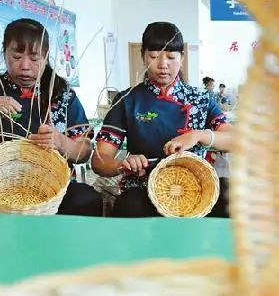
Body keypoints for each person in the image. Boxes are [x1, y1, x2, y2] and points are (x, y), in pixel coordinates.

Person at [0, 18, 102, 216]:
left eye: (34, 58)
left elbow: (84, 152)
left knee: (87, 200)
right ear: (4, 52)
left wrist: (61, 142)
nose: (25, 66)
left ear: (46, 57)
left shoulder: (61, 93)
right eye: (16, 56)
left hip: (56, 189)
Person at [92, 22, 234, 217]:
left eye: (171, 57)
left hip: (195, 186)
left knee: (231, 197)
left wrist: (198, 135)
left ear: (182, 58)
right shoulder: (127, 100)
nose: (163, 64)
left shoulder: (201, 98)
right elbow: (99, 160)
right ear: (143, 56)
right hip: (143, 187)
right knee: (129, 206)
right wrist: (123, 163)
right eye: (154, 56)